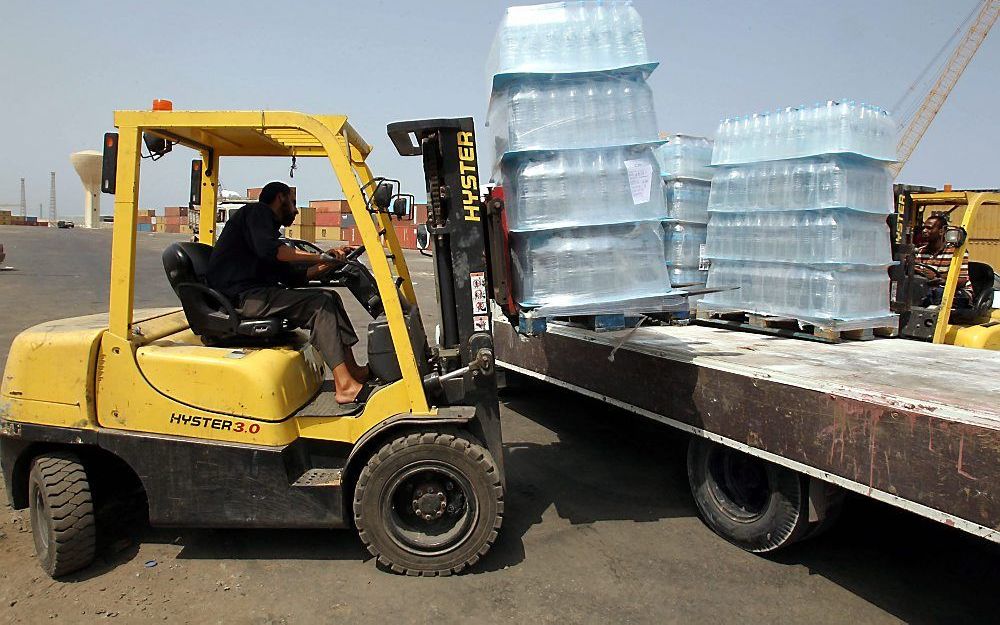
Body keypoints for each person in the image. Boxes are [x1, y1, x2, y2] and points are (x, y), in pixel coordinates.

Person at [206, 181, 369, 404]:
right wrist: (321, 256)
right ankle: (345, 386)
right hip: (242, 298)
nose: (296, 210)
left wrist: (330, 262)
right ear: (281, 198)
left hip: (256, 295)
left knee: (330, 297)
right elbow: (274, 252)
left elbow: (294, 277)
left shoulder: (265, 233)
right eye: (293, 203)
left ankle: (352, 371)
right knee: (319, 305)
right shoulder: (256, 212)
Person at [914, 214, 973, 308]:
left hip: (958, 293)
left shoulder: (956, 251)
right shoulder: (920, 251)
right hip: (930, 290)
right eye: (924, 228)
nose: (924, 231)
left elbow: (961, 280)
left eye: (929, 228)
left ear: (941, 231)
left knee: (937, 292)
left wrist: (937, 277)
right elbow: (916, 274)